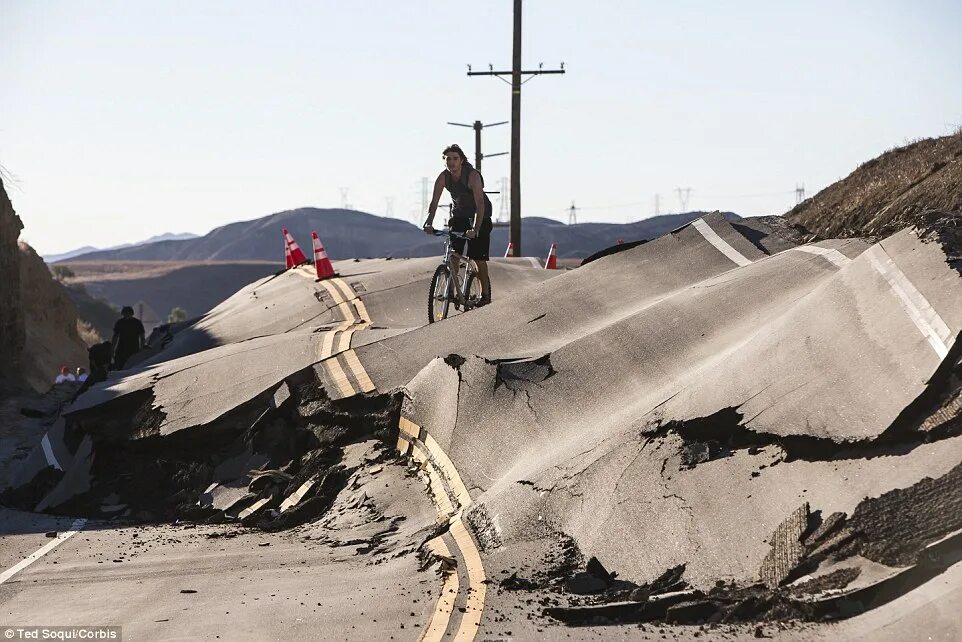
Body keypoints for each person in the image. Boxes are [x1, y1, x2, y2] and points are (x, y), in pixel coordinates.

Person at [423, 143, 493, 306]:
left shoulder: (472, 175)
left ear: (461, 160)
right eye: (448, 159)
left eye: (455, 159)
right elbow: (434, 202)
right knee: (454, 253)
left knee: (478, 258)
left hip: (480, 216)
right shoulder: (443, 177)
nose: (451, 162)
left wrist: (475, 229)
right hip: (460, 216)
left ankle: (485, 295)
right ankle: (451, 291)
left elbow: (480, 204)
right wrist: (429, 221)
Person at [112, 306, 145, 370]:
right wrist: (112, 349)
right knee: (121, 367)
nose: (126, 314)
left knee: (131, 368)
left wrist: (141, 349)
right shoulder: (120, 322)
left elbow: (142, 337)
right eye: (125, 313)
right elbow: (115, 337)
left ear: (131, 313)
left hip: (133, 349)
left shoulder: (136, 323)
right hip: (122, 349)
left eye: (128, 313)